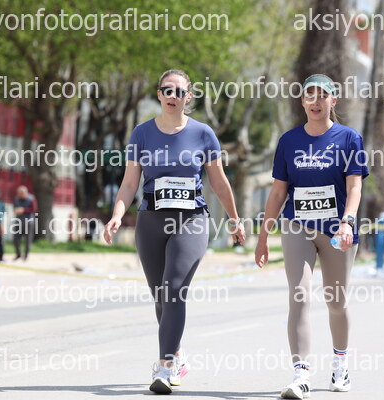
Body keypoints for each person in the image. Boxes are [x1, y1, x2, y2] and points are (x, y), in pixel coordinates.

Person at [103, 69, 245, 395]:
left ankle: (165, 366)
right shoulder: (141, 134)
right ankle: (177, 353)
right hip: (151, 220)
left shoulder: (203, 134)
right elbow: (129, 183)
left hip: (190, 220)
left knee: (174, 289)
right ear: (159, 94)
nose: (172, 95)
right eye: (167, 90)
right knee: (160, 296)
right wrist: (117, 215)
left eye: (179, 91)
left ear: (188, 97)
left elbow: (219, 182)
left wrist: (235, 219)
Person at [255, 74, 369, 397]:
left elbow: (355, 187)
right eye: (309, 96)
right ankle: (301, 373)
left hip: (337, 230)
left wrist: (347, 222)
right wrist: (263, 236)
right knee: (299, 294)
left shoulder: (349, 139)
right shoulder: (288, 141)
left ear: (334, 100)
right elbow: (278, 193)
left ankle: (340, 364)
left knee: (336, 301)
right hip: (297, 225)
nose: (315, 101)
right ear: (302, 101)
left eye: (322, 95)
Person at [13, 186, 37, 261]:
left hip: (28, 222)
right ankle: (18, 254)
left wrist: (24, 210)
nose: (19, 195)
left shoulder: (31, 198)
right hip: (18, 221)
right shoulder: (17, 199)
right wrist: (16, 210)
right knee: (15, 239)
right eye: (18, 194)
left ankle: (26, 255)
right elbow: (15, 207)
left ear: (25, 193)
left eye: (21, 194)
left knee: (28, 239)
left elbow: (34, 209)